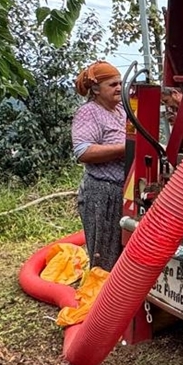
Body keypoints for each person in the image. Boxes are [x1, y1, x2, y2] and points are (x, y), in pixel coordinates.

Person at [71, 61, 127, 272]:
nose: (119, 88)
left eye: (120, 83)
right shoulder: (89, 113)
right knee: (104, 254)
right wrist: (125, 148)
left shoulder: (122, 109)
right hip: (102, 193)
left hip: (125, 189)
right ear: (96, 89)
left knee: (124, 251)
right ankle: (101, 300)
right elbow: (83, 152)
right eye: (112, 84)